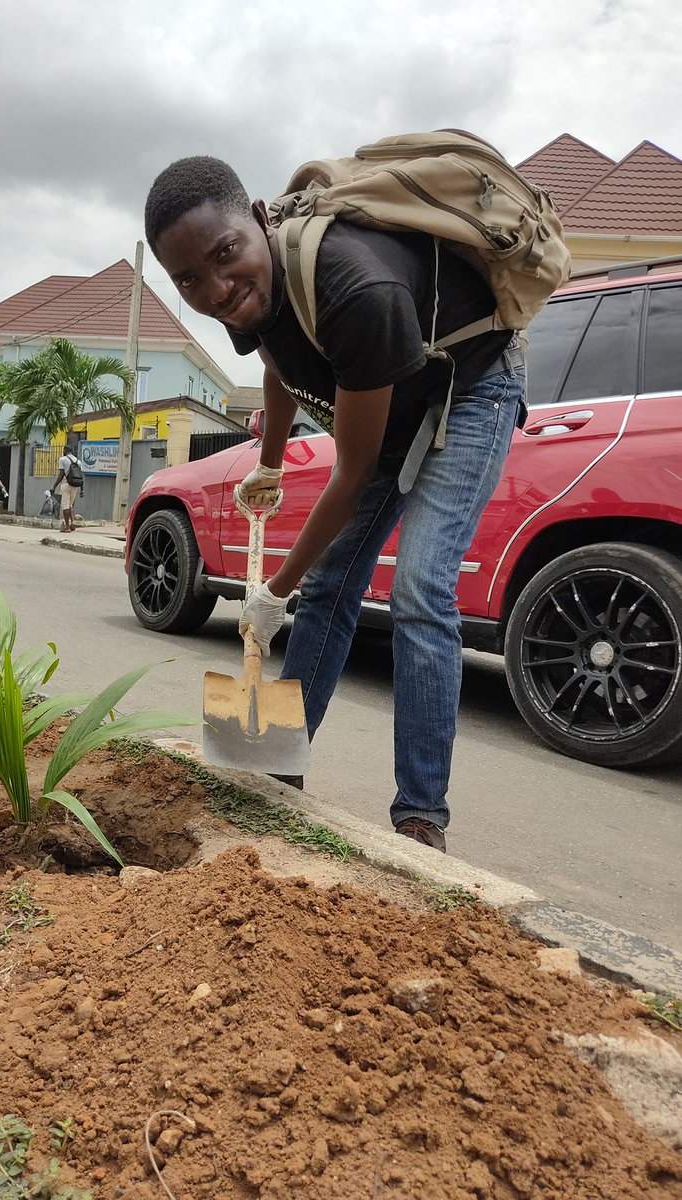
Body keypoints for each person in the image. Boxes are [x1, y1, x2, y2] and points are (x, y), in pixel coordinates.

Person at [145, 155, 526, 853]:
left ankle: (420, 816)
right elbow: (280, 365)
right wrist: (267, 462)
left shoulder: (356, 285)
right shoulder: (244, 290)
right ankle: (273, 766)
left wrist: (271, 592)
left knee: (419, 588)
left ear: (260, 219)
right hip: (391, 393)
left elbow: (350, 476)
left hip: (470, 388)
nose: (217, 287)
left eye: (225, 255)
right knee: (331, 585)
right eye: (189, 279)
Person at [51, 437, 83, 533]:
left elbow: (61, 474)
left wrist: (54, 486)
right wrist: (82, 489)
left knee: (65, 506)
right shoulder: (78, 461)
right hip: (75, 485)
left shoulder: (63, 459)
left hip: (65, 484)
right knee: (70, 505)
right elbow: (81, 476)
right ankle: (73, 521)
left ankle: (67, 527)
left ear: (65, 451)